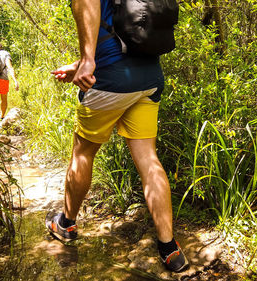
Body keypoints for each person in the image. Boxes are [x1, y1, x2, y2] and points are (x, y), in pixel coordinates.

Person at [45, 0, 189, 273]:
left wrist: (87, 61)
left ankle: (66, 223)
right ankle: (170, 249)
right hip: (149, 78)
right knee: (148, 157)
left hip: (111, 80)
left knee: (83, 152)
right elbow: (123, 36)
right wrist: (80, 65)